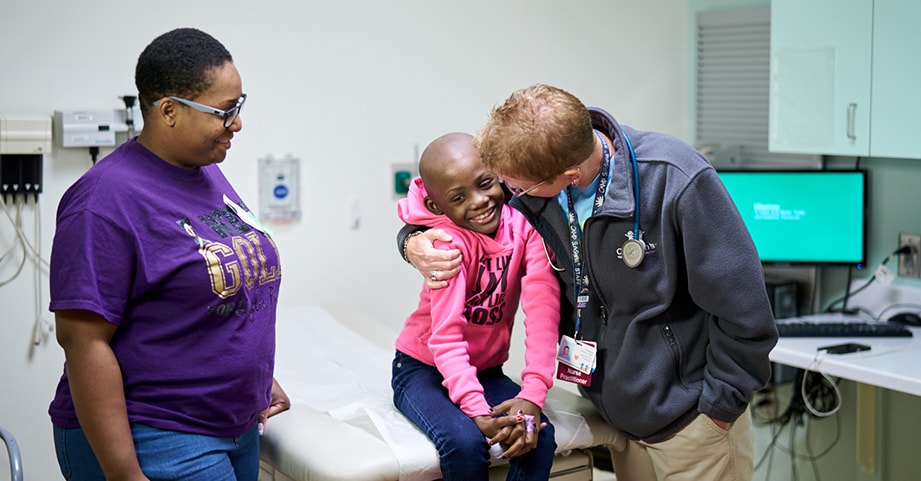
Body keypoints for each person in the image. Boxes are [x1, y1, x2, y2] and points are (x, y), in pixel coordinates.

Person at [400, 85, 779, 481]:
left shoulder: (675, 181)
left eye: (517, 188)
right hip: (620, 418)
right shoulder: (536, 180)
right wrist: (411, 241)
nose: (505, 197)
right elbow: (445, 206)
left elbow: (746, 310)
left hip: (692, 423)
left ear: (570, 175)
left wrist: (720, 407)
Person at [48, 28, 289, 481]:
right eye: (224, 112)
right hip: (156, 432)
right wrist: (124, 472)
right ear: (169, 111)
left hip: (231, 421)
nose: (237, 123)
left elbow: (218, 289)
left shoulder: (204, 174)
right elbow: (84, 343)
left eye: (240, 106)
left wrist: (251, 376)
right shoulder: (103, 201)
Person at [391, 132, 560, 480]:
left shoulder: (525, 230)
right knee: (466, 443)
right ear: (438, 207)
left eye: (485, 183)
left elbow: (542, 316)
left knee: (536, 433)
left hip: (485, 370)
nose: (480, 201)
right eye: (459, 197)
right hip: (423, 370)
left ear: (498, 174)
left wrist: (533, 395)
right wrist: (475, 408)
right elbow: (446, 338)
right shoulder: (448, 246)